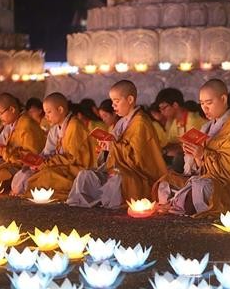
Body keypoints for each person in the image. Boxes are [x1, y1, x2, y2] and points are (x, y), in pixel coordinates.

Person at [153, 79, 230, 217]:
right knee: (166, 182)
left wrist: (203, 155)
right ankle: (177, 203)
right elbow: (198, 170)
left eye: (209, 103)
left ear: (223, 99)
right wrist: (193, 155)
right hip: (205, 179)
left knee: (201, 188)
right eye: (202, 104)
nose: (205, 108)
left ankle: (176, 203)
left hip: (229, 187)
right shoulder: (206, 127)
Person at [67, 80, 167, 208]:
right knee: (85, 175)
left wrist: (113, 146)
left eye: (116, 101)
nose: (113, 106)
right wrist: (105, 149)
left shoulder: (141, 122)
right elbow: (114, 150)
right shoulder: (121, 122)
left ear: (130, 99)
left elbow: (138, 157)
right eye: (112, 102)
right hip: (116, 168)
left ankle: (107, 202)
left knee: (116, 180)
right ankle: (82, 205)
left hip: (137, 174)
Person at [11, 92, 97, 200]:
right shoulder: (55, 129)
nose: (46, 117)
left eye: (49, 112)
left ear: (60, 110)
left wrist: (46, 163)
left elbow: (73, 158)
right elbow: (47, 152)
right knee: (27, 173)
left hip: (76, 171)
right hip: (60, 167)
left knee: (44, 176)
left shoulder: (75, 126)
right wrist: (36, 162)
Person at [0, 93, 46, 184]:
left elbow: (32, 157)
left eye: (1, 113)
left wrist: (4, 152)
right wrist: (1, 151)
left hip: (25, 166)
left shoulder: (27, 125)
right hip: (10, 161)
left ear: (12, 109)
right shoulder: (11, 124)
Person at [155, 88, 207, 173]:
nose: (162, 112)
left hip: (203, 159)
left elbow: (191, 148)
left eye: (164, 108)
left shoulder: (192, 120)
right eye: (160, 109)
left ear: (175, 105)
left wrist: (167, 151)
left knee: (178, 158)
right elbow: (170, 143)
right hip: (191, 156)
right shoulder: (176, 122)